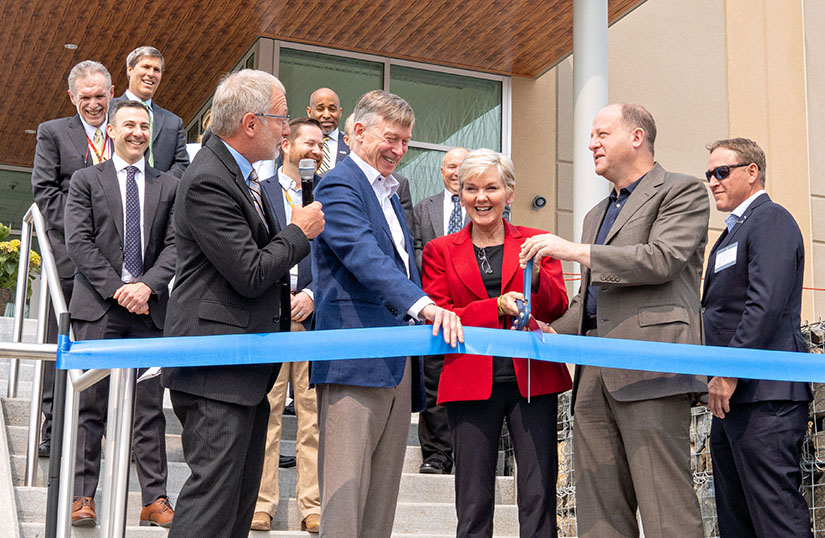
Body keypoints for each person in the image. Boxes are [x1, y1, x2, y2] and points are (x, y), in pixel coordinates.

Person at [520, 103, 708, 538]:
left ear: (637, 137)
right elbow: (589, 303)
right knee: (598, 511)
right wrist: (546, 334)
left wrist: (572, 250)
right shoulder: (594, 215)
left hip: (651, 368)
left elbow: (661, 260)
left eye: (602, 134)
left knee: (667, 509)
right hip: (592, 378)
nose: (591, 144)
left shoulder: (682, 191)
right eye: (592, 136)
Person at [161, 69, 325, 538]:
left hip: (247, 368)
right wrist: (300, 232)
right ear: (250, 123)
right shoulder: (209, 178)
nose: (288, 131)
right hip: (217, 369)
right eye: (281, 119)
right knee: (211, 503)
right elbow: (251, 272)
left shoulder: (243, 174)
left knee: (237, 506)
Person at [311, 89, 463, 538]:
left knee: (380, 503)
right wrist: (424, 307)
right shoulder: (339, 184)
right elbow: (362, 254)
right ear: (357, 131)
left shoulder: (392, 192)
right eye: (391, 138)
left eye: (405, 142)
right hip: (355, 361)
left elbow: (401, 262)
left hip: (397, 364)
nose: (398, 150)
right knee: (345, 500)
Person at [422, 149, 571, 537]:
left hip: (532, 380)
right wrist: (496, 306)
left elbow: (555, 308)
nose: (481, 198)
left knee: (539, 494)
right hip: (469, 381)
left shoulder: (537, 241)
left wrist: (537, 278)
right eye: (471, 188)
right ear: (459, 194)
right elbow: (440, 312)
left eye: (491, 187)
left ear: (509, 192)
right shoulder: (439, 250)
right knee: (473, 500)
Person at [64, 99, 177, 527]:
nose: (138, 132)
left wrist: (146, 286)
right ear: (110, 131)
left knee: (149, 408)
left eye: (144, 126)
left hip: (149, 312)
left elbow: (176, 246)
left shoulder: (168, 184)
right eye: (129, 124)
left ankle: (154, 498)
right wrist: (120, 289)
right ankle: (82, 497)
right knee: (92, 404)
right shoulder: (85, 180)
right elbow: (79, 241)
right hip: (99, 308)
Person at [702, 138, 813, 538]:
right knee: (737, 521)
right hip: (733, 400)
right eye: (708, 174)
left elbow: (763, 305)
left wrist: (730, 371)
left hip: (766, 398)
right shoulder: (733, 233)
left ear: (752, 172)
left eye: (721, 172)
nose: (712, 181)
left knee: (775, 517)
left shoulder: (771, 220)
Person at [31, 60, 115, 457]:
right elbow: (45, 193)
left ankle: (110, 433)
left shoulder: (124, 132)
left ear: (112, 93)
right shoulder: (52, 133)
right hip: (68, 259)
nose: (94, 105)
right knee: (59, 345)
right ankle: (52, 426)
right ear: (72, 97)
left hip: (116, 262)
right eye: (86, 98)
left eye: (100, 96)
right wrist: (86, 228)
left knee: (109, 348)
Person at [250, 118, 324, 533]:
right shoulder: (260, 192)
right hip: (273, 317)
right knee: (270, 413)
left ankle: (311, 506)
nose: (315, 150)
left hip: (313, 319)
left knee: (312, 417)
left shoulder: (328, 194)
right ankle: (263, 504)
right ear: (286, 145)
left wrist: (312, 295)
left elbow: (335, 257)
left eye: (320, 145)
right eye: (308, 143)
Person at [412, 146, 469, 475]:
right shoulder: (423, 208)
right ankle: (436, 453)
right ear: (442, 171)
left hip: (472, 309)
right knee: (432, 381)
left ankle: (467, 450)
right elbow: (415, 253)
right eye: (450, 166)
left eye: (462, 166)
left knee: (466, 382)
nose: (456, 172)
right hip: (433, 307)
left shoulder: (485, 206)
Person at [110, 46, 189, 177]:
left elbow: (182, 165)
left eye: (156, 70)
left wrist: (160, 188)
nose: (151, 74)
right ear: (130, 70)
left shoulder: (173, 122)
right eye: (146, 67)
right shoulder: (107, 110)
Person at [307, 87, 348, 175]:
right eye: (320, 109)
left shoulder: (352, 145)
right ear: (309, 112)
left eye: (332, 109)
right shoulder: (295, 144)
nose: (326, 115)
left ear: (340, 112)